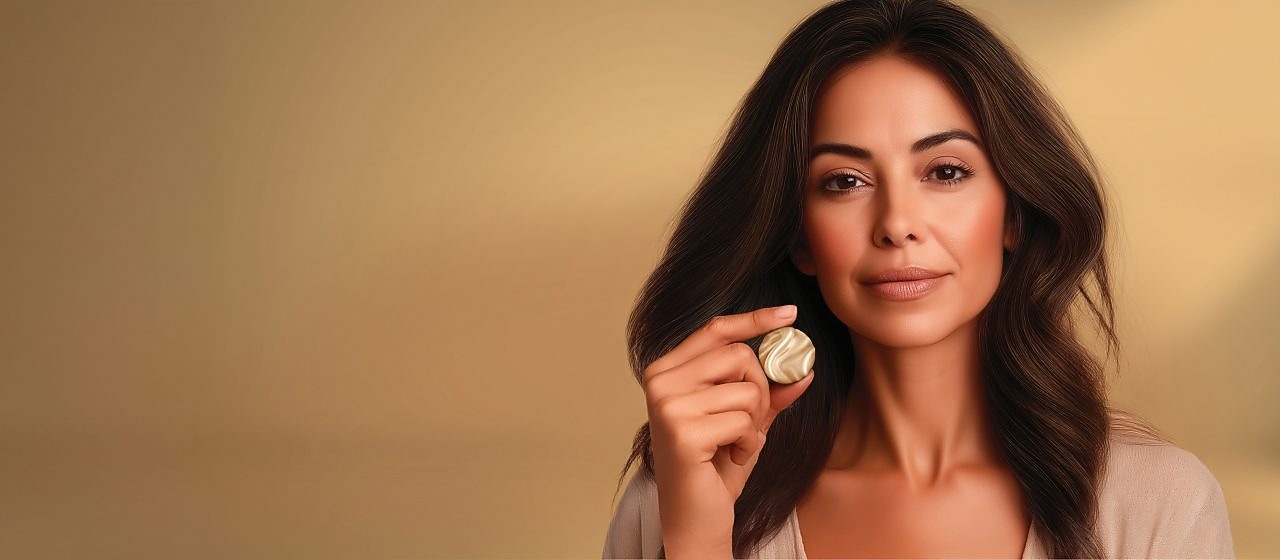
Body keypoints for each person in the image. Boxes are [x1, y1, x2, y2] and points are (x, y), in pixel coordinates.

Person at [601, 0, 1234, 558]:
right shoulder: (680, 498)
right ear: (800, 238)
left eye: (946, 172)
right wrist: (700, 545)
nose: (897, 224)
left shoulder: (1157, 506)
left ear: (1014, 211)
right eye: (844, 181)